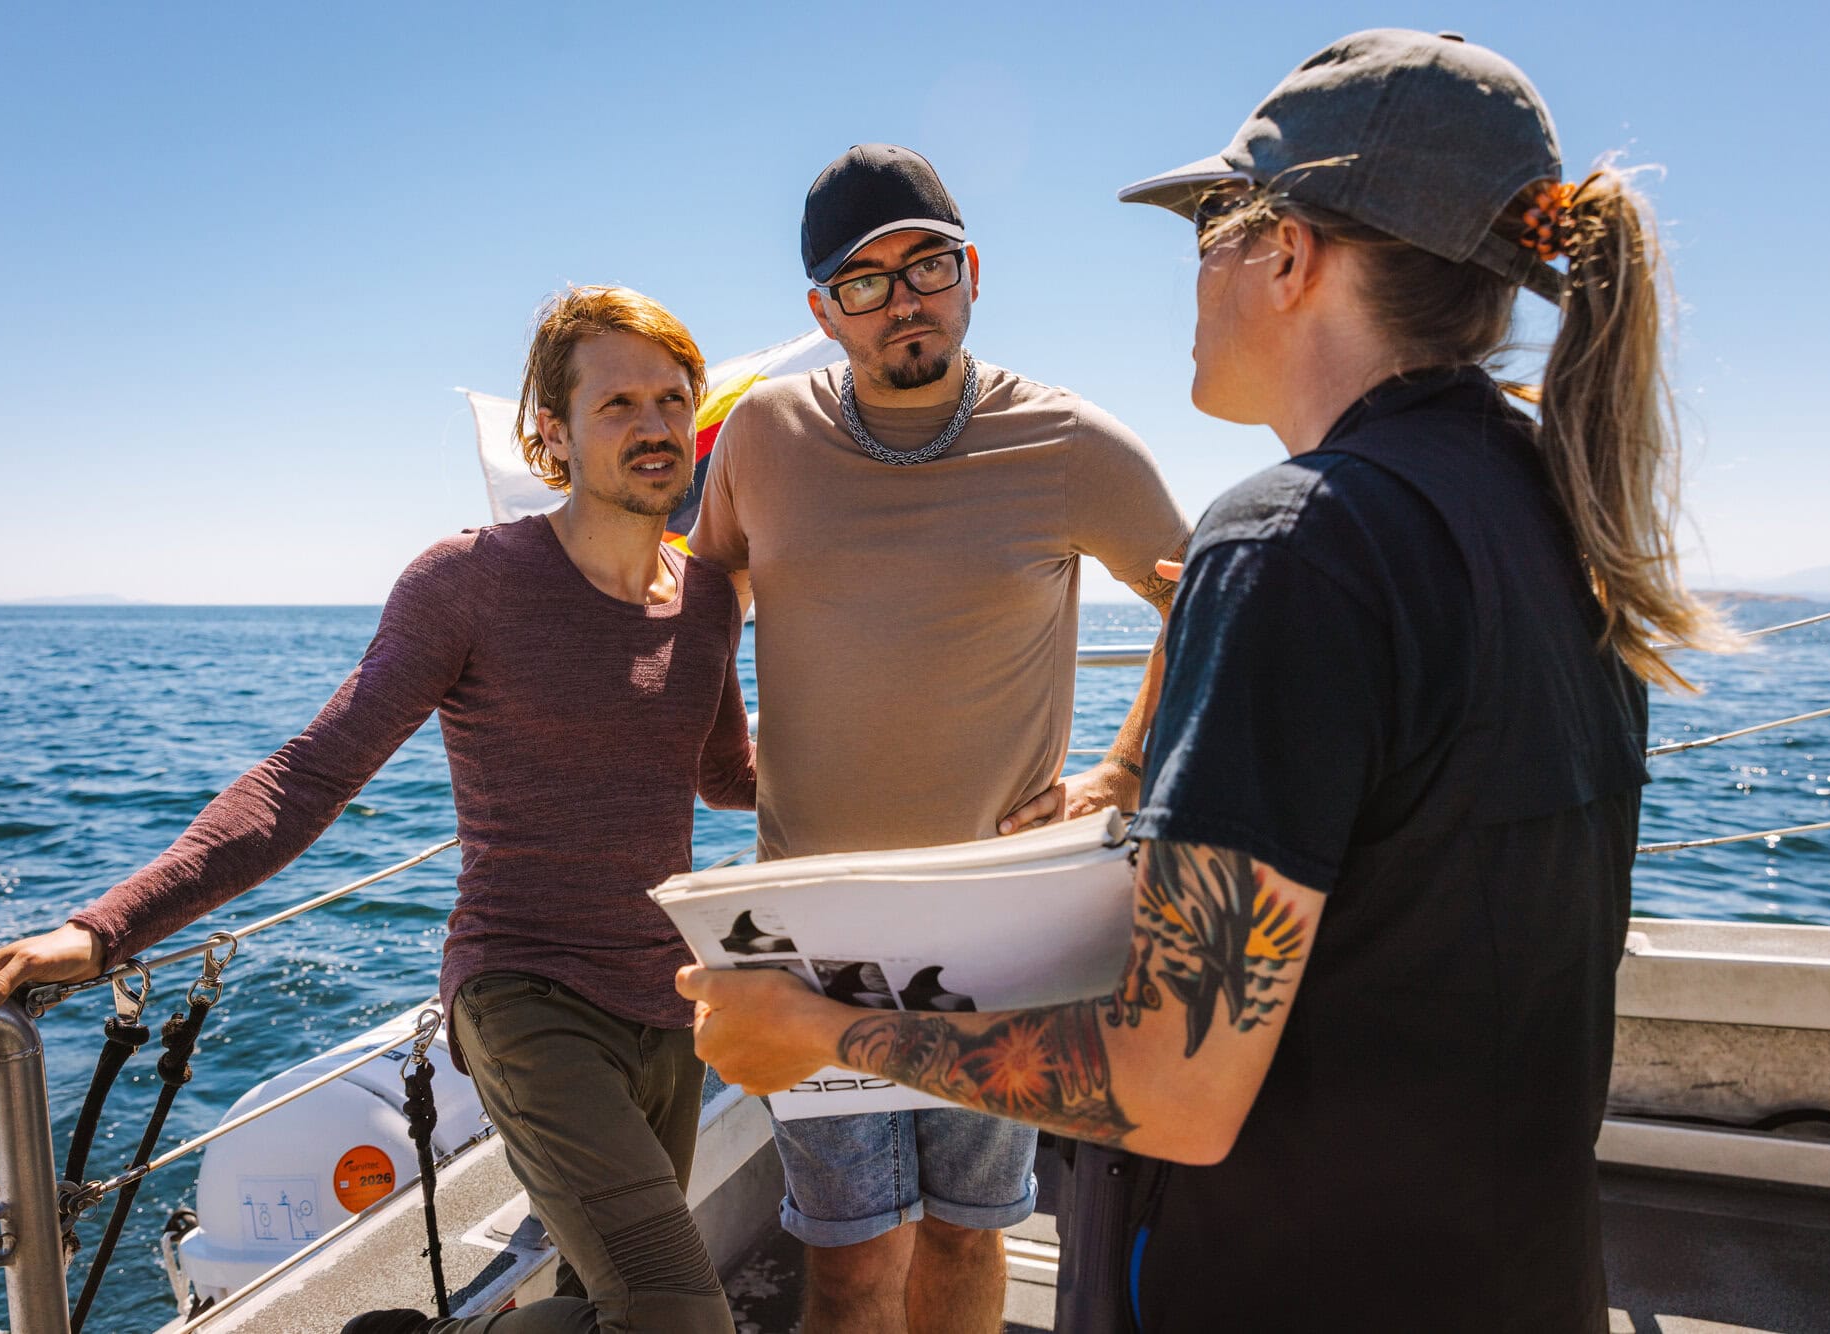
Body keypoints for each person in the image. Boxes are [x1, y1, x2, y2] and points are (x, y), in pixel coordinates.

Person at [683, 30, 1732, 1332]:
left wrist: (819, 1032)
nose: (1193, 277)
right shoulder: (1567, 527)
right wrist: (1126, 774)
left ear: (1284, 253)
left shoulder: (1291, 548)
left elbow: (1174, 1084)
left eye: (1207, 233)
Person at [0, 286, 755, 1334]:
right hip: (524, 996)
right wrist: (102, 929)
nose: (652, 425)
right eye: (617, 403)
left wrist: (942, 777)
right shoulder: (469, 580)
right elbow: (306, 775)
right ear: (549, 431)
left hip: (667, 1001)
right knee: (678, 1306)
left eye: (669, 398)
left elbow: (730, 774)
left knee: (610, 1294)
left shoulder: (704, 599)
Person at [685, 143, 1189, 1332]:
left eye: (926, 266)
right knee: (849, 1259)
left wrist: (1117, 773)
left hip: (995, 933)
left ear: (972, 274)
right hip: (810, 929)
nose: (901, 299)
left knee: (969, 1236)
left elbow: (1211, 600)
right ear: (823, 310)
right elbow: (703, 606)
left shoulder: (1068, 439)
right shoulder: (758, 435)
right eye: (863, 282)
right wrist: (719, 757)